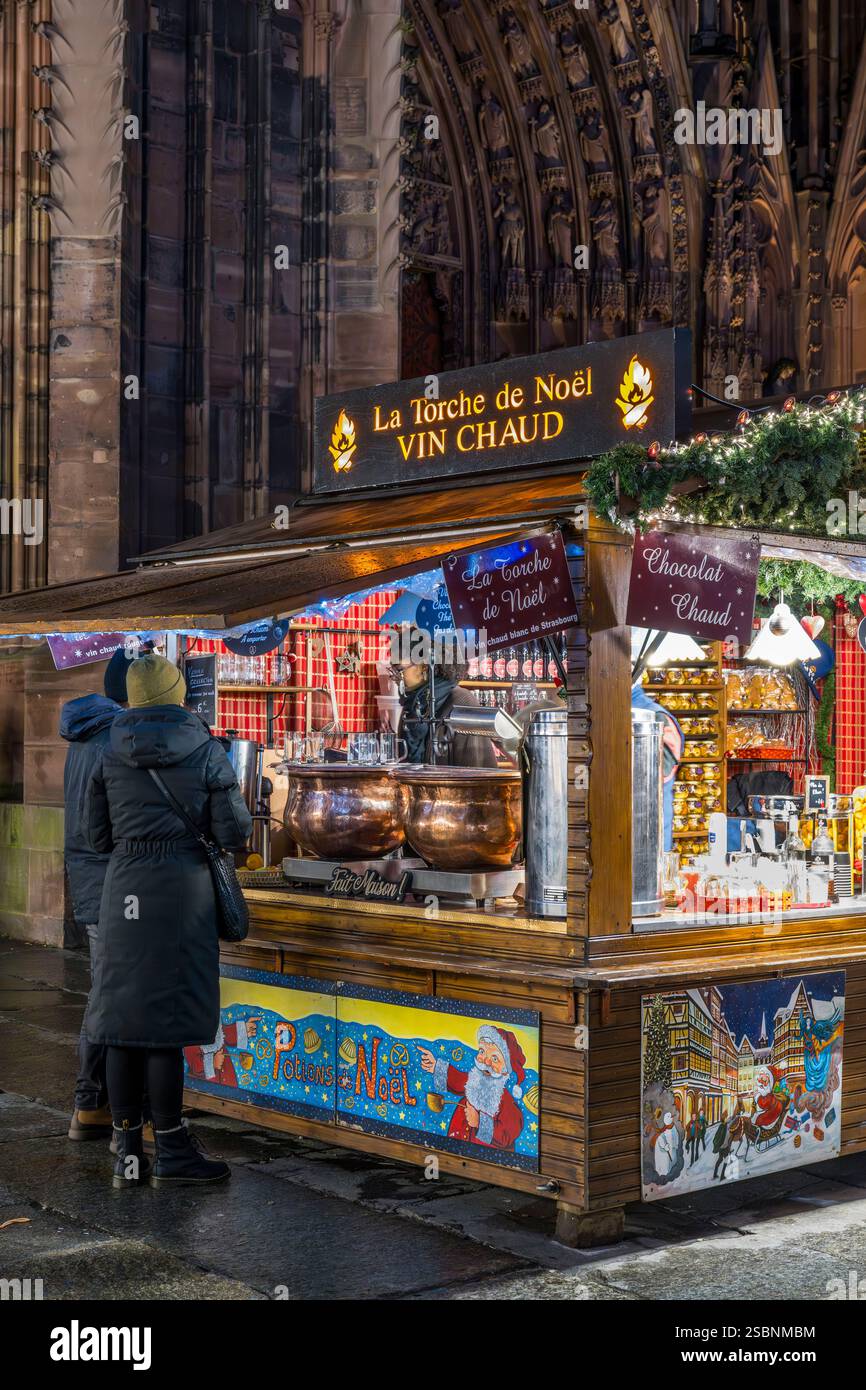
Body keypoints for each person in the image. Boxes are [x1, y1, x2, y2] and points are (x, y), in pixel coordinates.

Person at [83, 653, 253, 1188]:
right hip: (183, 893)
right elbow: (233, 834)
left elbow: (97, 838)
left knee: (122, 1023)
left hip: (125, 892)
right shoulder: (205, 749)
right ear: (178, 693)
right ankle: (174, 1148)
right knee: (164, 1028)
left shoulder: (107, 750)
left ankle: (128, 1153)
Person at [62, 645, 131, 1143]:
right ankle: (91, 1104)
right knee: (108, 992)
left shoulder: (86, 735)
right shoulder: (114, 739)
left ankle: (98, 1104)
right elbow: (104, 827)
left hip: (91, 877)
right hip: (108, 879)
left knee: (105, 988)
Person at [393, 633, 497, 768]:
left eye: (399, 670)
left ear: (424, 666)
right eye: (393, 670)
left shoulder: (462, 704)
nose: (395, 677)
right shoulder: (411, 707)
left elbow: (473, 777)